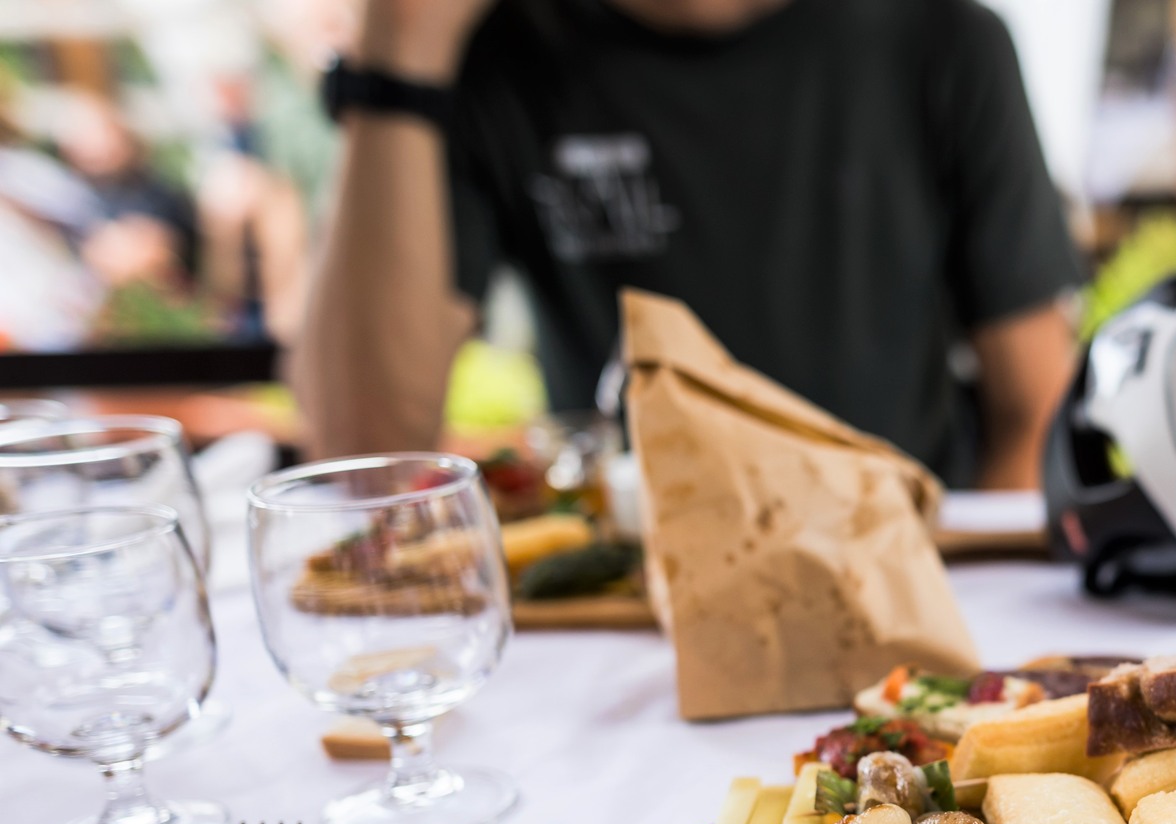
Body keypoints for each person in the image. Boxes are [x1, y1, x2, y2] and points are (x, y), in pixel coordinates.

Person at [296, 0, 1085, 488]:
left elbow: (1036, 412)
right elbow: (361, 455)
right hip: (629, 624)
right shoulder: (501, 54)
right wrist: (399, 48)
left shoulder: (943, 38)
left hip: (905, 591)